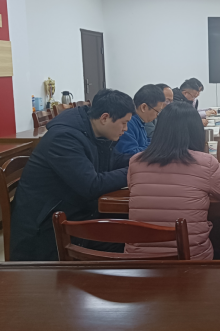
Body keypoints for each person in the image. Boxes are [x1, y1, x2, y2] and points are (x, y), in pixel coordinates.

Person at [10, 89, 136, 261]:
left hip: (75, 212)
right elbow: (91, 186)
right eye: (124, 123)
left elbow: (112, 161)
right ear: (105, 118)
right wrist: (135, 171)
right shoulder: (63, 138)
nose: (125, 129)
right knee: (129, 238)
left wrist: (142, 160)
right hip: (47, 232)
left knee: (132, 226)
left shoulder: (92, 131)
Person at [126, 102, 220, 260]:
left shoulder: (136, 162)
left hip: (139, 263)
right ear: (196, 131)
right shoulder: (205, 162)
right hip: (189, 261)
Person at [116, 84, 166, 155]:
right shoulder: (128, 124)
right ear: (144, 107)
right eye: (157, 111)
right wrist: (155, 147)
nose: (157, 115)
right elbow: (130, 153)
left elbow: (144, 143)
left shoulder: (140, 121)